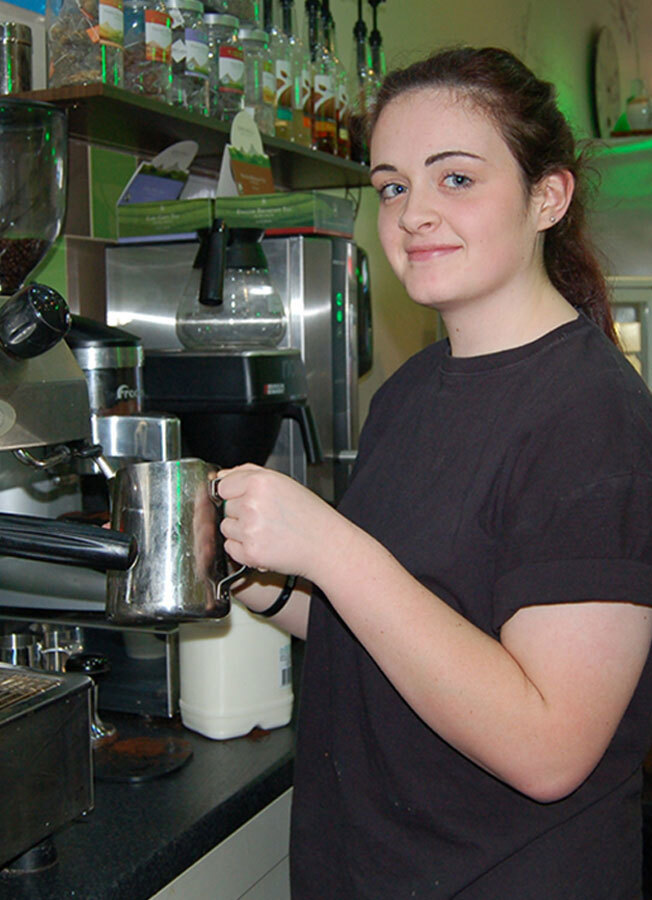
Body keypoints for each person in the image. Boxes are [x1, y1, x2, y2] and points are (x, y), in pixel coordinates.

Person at [212, 48, 652, 897]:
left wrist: (330, 546)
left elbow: (549, 748)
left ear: (547, 197)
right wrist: (259, 583)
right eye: (392, 185)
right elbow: (412, 624)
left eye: (455, 179)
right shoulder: (412, 391)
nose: (414, 214)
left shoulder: (593, 417)